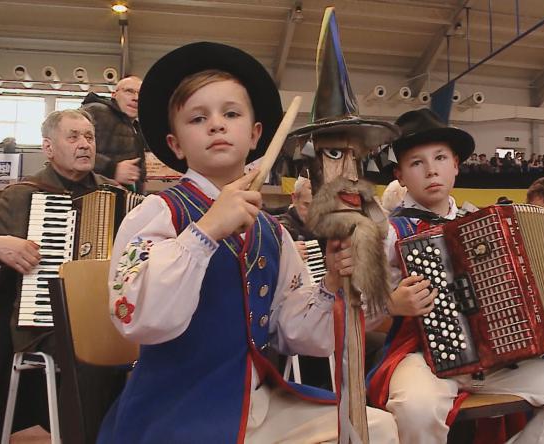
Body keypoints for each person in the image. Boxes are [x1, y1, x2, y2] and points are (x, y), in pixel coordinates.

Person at [97, 41, 398, 443]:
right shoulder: (157, 214)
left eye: (231, 113)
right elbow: (136, 316)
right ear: (175, 144)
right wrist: (205, 233)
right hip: (174, 412)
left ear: (255, 135)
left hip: (255, 404)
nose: (217, 125)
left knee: (375, 428)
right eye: (198, 118)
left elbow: (293, 332)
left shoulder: (272, 232)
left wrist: (328, 285)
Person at [367, 108, 544, 444]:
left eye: (441, 158)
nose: (431, 170)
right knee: (416, 407)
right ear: (400, 175)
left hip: (495, 358)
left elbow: (519, 281)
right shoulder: (388, 232)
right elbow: (354, 309)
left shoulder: (482, 221)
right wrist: (392, 304)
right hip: (423, 357)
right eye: (417, 163)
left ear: (456, 166)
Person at [0, 109, 125, 443]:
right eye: (73, 137)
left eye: (89, 137)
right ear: (48, 148)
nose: (84, 145)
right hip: (42, 323)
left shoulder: (116, 195)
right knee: (90, 358)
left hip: (104, 317)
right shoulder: (23, 195)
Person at [81, 76, 148, 192]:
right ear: (114, 95)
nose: (136, 98)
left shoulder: (136, 127)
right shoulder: (97, 111)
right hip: (92, 200)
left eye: (141, 94)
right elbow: (69, 152)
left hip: (124, 202)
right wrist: (112, 169)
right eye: (129, 91)